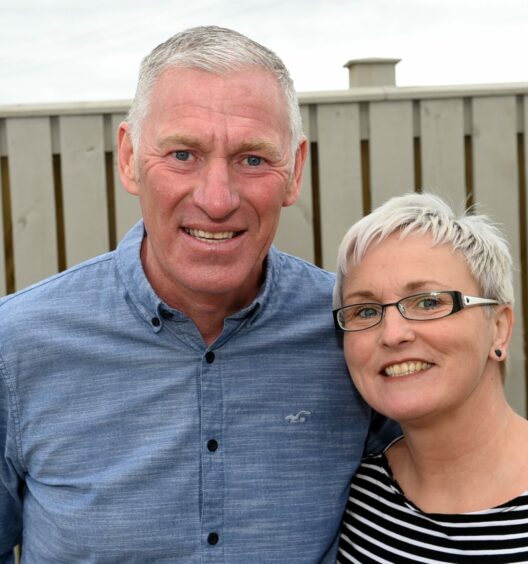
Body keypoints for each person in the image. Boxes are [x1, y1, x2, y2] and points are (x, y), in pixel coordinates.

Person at [0, 26, 396, 563]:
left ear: (295, 169)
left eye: (252, 159)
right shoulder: (16, 347)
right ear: (128, 157)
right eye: (183, 154)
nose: (216, 199)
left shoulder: (356, 331)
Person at [332, 192, 528, 563]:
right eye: (366, 310)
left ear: (499, 328)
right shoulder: (358, 497)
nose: (392, 334)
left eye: (429, 302)